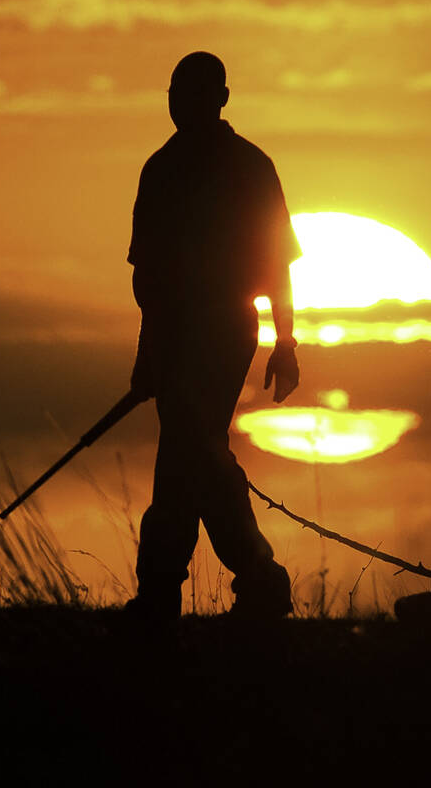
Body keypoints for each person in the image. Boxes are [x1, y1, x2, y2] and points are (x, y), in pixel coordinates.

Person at [125, 51, 302, 621]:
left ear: (222, 98)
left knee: (189, 450)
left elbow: (277, 264)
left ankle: (223, 583)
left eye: (196, 93)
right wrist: (148, 351)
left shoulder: (251, 167)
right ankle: (248, 582)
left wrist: (287, 342)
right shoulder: (160, 168)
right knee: (192, 456)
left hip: (226, 330)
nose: (182, 103)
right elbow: (146, 275)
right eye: (175, 92)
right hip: (172, 335)